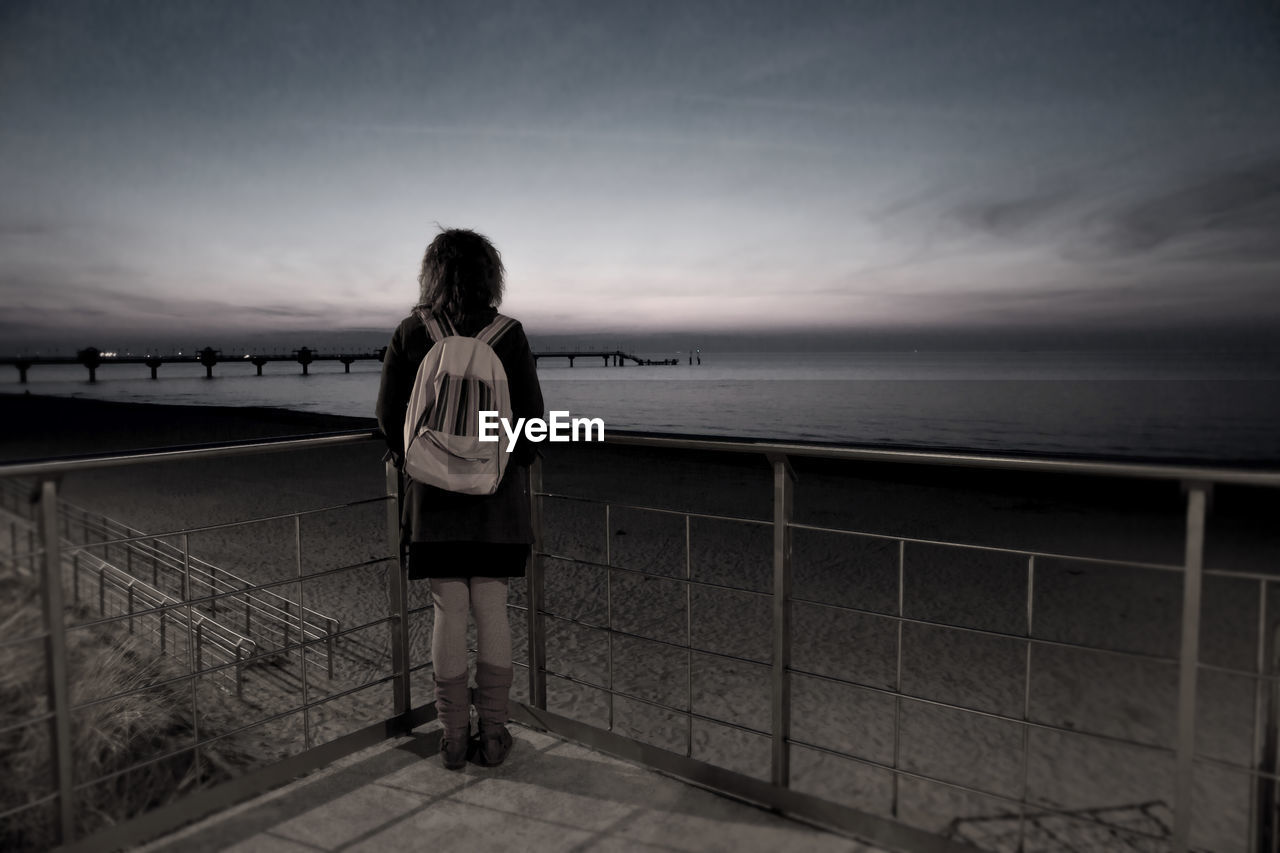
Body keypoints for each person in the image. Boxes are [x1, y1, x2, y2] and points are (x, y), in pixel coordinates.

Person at [376, 228, 544, 770]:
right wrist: (494, 465)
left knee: (447, 610)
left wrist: (426, 465)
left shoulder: (410, 333)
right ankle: (493, 737)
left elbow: (388, 422)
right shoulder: (509, 334)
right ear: (490, 276)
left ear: (432, 274)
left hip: (432, 504)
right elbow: (533, 428)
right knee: (492, 609)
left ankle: (451, 738)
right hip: (495, 504)